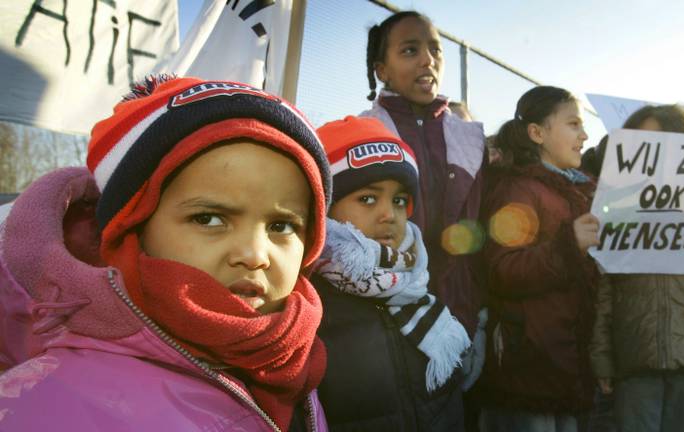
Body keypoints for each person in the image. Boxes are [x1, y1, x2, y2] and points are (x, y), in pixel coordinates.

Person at [0, 76, 332, 431]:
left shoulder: (296, 363)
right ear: (132, 231)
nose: (254, 255)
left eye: (281, 226)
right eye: (209, 218)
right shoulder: (48, 403)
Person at [312, 115, 469, 431]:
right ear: (324, 207)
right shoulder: (309, 309)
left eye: (399, 200)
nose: (389, 214)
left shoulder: (418, 287)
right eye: (367, 199)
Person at [590, 104, 684, 432]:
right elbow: (606, 288)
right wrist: (602, 357)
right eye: (640, 141)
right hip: (636, 364)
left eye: (660, 141)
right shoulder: (618, 205)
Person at [476, 85, 599, 432]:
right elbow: (502, 269)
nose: (585, 135)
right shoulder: (517, 189)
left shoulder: (584, 193)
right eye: (573, 124)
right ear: (537, 133)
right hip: (527, 373)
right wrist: (567, 246)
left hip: (568, 370)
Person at [361, 11, 487, 337]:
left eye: (436, 49)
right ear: (381, 70)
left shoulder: (472, 140)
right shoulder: (362, 134)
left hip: (461, 313)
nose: (427, 60)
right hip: (383, 318)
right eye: (410, 50)